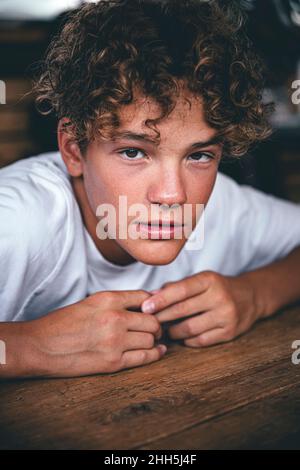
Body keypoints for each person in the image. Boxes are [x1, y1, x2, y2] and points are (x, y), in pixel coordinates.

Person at [1, 0, 300, 379]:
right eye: (133, 151)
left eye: (199, 156)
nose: (173, 195)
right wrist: (27, 345)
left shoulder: (222, 203)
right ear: (73, 149)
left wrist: (256, 294)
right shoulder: (17, 219)